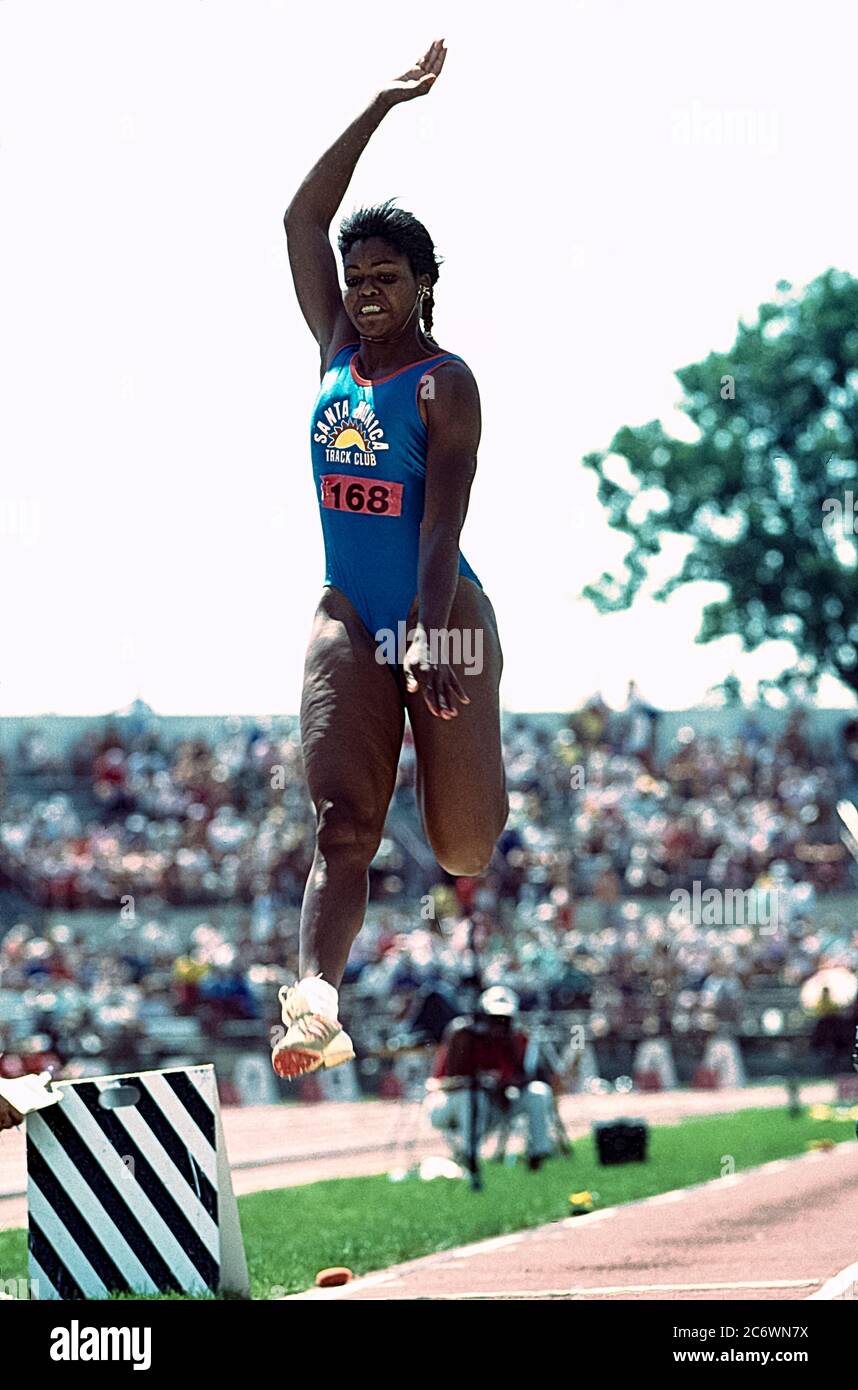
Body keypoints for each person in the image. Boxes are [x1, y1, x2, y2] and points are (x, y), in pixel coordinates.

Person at [272, 39, 509, 1079]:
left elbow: (440, 524)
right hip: (347, 609)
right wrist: (378, 103)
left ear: (420, 287)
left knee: (460, 847)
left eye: (385, 279)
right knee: (342, 821)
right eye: (356, 278)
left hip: (442, 600)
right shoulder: (333, 349)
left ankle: (479, 777)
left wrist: (426, 635)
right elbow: (298, 221)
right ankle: (315, 1002)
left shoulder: (443, 382)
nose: (363, 292)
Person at [425, 987, 554, 1172]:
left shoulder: (515, 1040)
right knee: (471, 1095)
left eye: (504, 1019)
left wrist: (506, 1083)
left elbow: (524, 1076)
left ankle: (537, 1156)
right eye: (494, 1018)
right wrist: (479, 1082)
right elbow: (444, 1080)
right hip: (448, 1104)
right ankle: (470, 1161)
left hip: (493, 1105)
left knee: (538, 1092)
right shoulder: (462, 1034)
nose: (499, 1025)